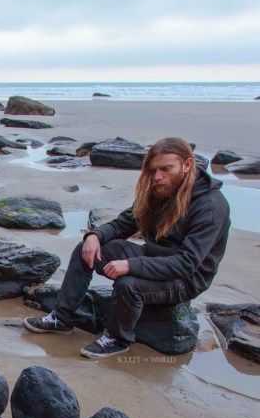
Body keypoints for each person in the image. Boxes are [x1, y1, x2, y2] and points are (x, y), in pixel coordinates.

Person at [23, 136, 231, 358]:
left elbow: (186, 264)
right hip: (153, 259)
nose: (157, 176)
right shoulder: (161, 189)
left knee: (128, 284)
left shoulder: (210, 207)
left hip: (184, 279)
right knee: (86, 250)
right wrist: (95, 236)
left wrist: (131, 265)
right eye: (153, 170)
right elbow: (123, 224)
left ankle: (117, 338)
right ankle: (61, 319)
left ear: (187, 165)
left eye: (165, 169)